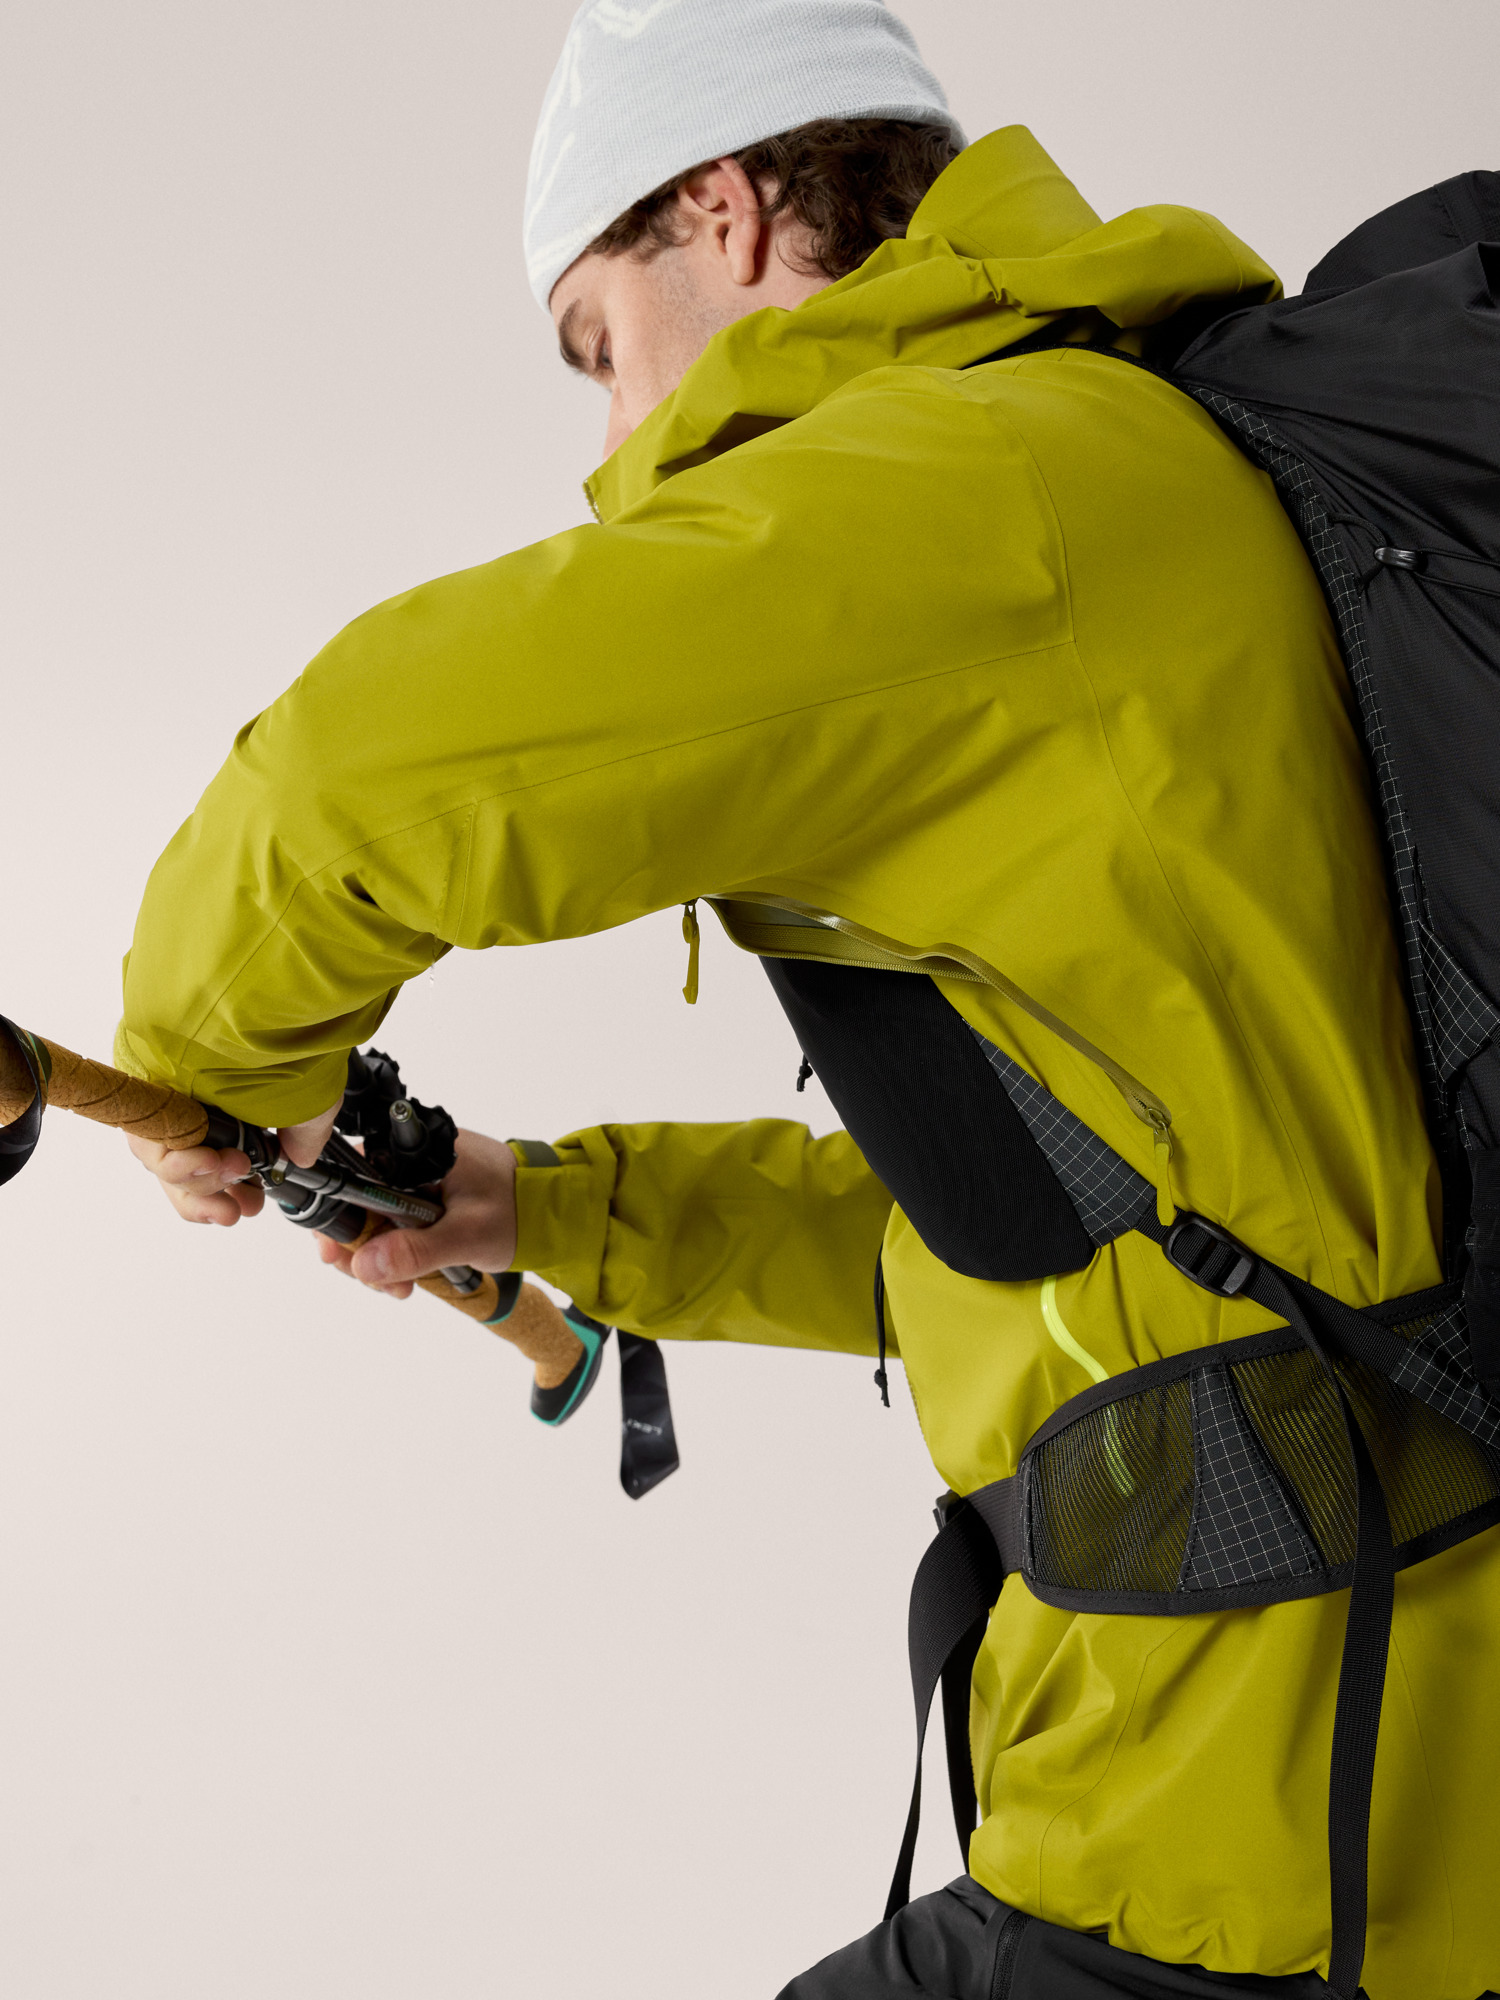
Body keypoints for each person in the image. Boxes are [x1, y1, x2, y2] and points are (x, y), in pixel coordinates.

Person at [117, 3, 1500, 1995]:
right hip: (1358, 1796)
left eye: (600, 342)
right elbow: (1093, 1235)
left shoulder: (970, 486)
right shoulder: (1131, 479)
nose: (608, 437)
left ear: (729, 210)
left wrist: (206, 1075)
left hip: (1259, 1858)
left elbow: (347, 788)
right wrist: (544, 1204)